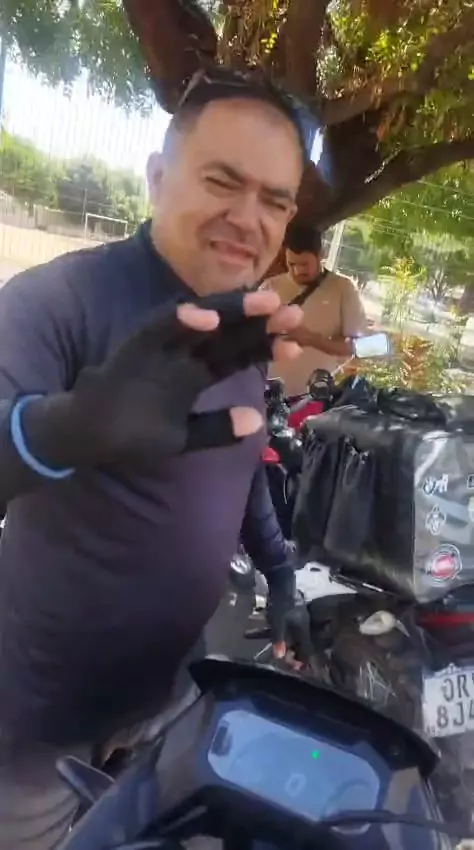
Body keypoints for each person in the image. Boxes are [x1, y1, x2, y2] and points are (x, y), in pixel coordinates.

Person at [0, 68, 326, 849]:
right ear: (157, 177)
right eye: (223, 181)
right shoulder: (59, 300)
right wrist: (65, 431)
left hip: (170, 706)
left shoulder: (243, 327)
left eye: (275, 200)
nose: (248, 217)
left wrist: (280, 573)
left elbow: (239, 465)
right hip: (36, 728)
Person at [268, 224, 367, 395]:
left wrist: (312, 339)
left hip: (313, 397)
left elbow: (359, 346)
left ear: (322, 255)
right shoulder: (271, 287)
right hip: (268, 393)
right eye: (291, 264)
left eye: (304, 264)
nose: (297, 271)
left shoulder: (343, 288)